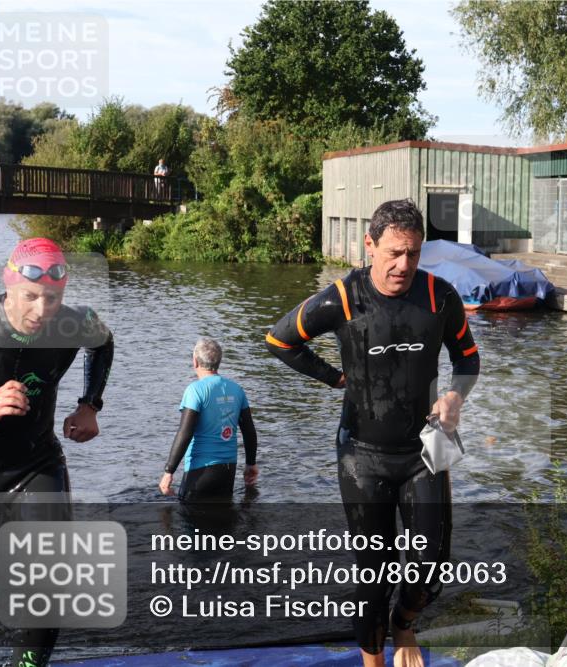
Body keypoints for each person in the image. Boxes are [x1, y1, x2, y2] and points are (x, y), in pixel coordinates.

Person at [266, 199, 480, 667]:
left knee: (432, 566)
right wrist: (333, 378)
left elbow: (468, 358)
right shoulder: (344, 297)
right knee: (372, 572)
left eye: (414, 254)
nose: (404, 265)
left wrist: (455, 398)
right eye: (394, 253)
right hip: (362, 454)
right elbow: (280, 339)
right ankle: (373, 660)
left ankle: (404, 624)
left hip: (426, 449)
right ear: (370, 245)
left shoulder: (439, 297)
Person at [0, 238, 114, 667]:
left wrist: (89, 405)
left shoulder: (74, 322)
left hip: (36, 462)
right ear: (8, 284)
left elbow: (103, 343)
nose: (41, 310)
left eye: (53, 298)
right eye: (29, 296)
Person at [159, 337, 258, 502]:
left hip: (200, 472)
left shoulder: (195, 390)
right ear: (219, 361)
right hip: (227, 472)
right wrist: (250, 464)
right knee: (222, 523)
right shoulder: (237, 390)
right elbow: (249, 431)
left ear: (195, 362)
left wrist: (169, 471)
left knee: (190, 521)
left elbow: (185, 432)